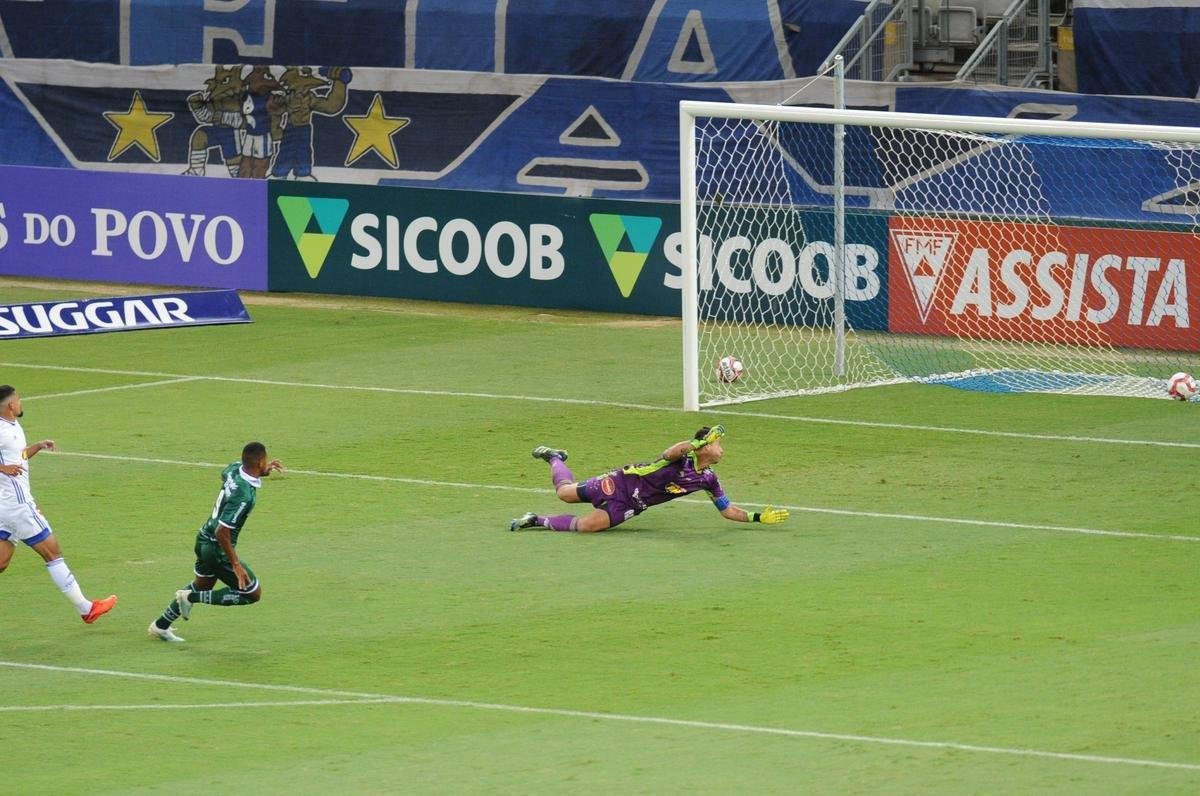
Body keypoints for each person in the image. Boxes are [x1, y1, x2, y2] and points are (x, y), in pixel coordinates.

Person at [510, 425, 789, 533]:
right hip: (620, 482)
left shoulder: (708, 479)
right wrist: (696, 442)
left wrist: (756, 517)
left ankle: (536, 520)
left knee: (587, 526)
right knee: (565, 494)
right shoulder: (681, 458)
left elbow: (727, 510)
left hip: (633, 505)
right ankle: (555, 457)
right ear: (704, 446)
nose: (722, 449)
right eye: (717, 443)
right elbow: (671, 451)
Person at [0, 385, 117, 624]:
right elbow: (7, 463)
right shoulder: (2, 430)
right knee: (53, 554)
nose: (21, 403)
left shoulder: (12, 426)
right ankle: (86, 609)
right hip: (17, 504)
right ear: (10, 405)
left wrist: (37, 446)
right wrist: (3, 468)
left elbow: (17, 456)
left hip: (7, 504)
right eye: (19, 399)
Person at [148, 442, 283, 643]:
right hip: (216, 548)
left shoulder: (234, 468)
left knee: (203, 584)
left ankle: (160, 626)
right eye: (265, 461)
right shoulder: (244, 496)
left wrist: (263, 471)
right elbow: (222, 531)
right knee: (252, 593)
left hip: (203, 538)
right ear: (259, 462)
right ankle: (189, 598)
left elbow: (226, 475)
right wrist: (235, 564)